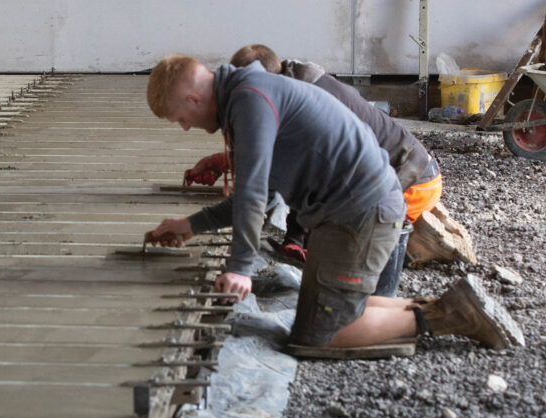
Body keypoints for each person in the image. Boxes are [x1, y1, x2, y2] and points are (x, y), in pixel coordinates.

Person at [145, 55, 523, 351]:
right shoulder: (249, 93)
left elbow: (252, 194)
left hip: (361, 213)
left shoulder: (249, 101)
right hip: (352, 211)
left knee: (318, 336)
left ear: (194, 99)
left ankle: (450, 315)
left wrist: (241, 268)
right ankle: (450, 305)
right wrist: (191, 225)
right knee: (319, 314)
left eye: (181, 118)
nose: (184, 127)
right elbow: (261, 192)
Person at [186, 44, 443, 297]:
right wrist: (226, 161)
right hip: (410, 170)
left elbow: (295, 174)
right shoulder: (295, 86)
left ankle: (413, 256)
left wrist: (294, 241)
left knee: (344, 267)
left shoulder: (292, 103)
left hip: (413, 181)